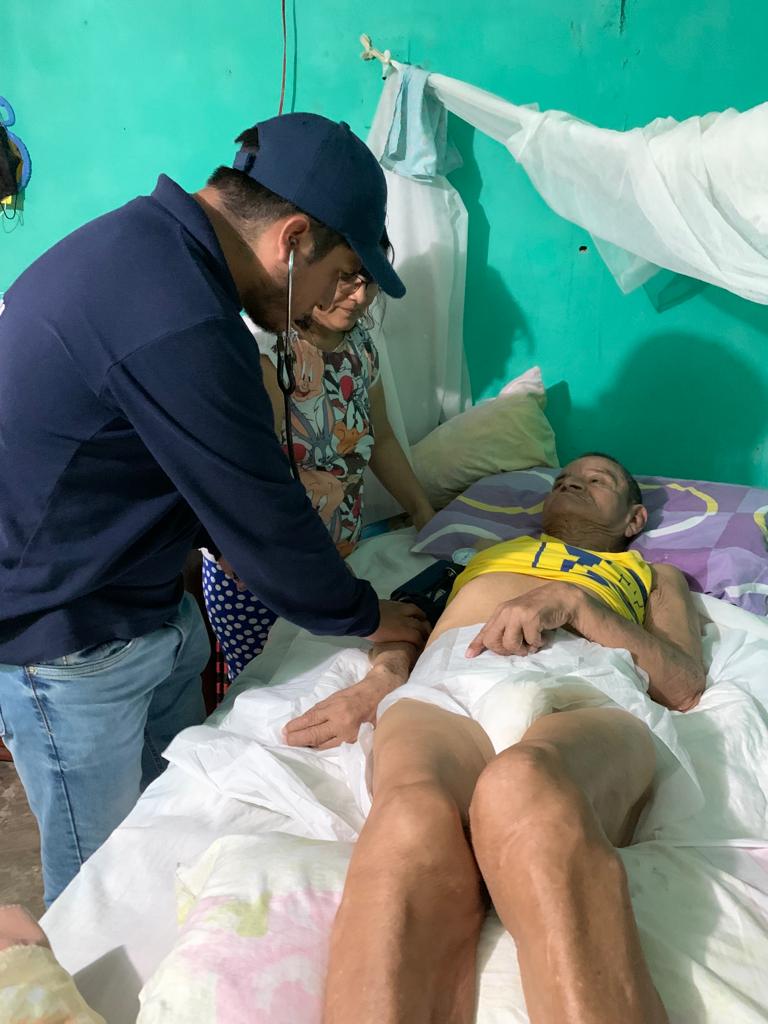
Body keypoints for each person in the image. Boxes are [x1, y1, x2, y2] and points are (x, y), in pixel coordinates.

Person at [0, 112, 429, 907]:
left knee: (177, 838)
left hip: (145, 608)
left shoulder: (150, 253)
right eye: (342, 274)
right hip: (70, 639)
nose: (343, 298)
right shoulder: (179, 315)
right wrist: (370, 617)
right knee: (104, 895)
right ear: (293, 239)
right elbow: (261, 512)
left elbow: (184, 475)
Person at [307, 453, 706, 1024]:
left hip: (587, 681)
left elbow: (683, 684)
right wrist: (381, 679)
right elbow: (402, 623)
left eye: (597, 480)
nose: (573, 481)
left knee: (527, 785)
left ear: (634, 519)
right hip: (450, 679)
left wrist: (576, 604)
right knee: (411, 815)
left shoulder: (653, 576)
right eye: (565, 477)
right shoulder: (479, 556)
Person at [203, 223, 435, 678]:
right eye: (347, 278)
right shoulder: (268, 352)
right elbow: (251, 475)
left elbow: (381, 438)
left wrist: (423, 510)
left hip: (334, 561)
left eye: (370, 282)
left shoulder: (361, 346)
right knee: (267, 686)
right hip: (262, 572)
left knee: (326, 675)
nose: (359, 296)